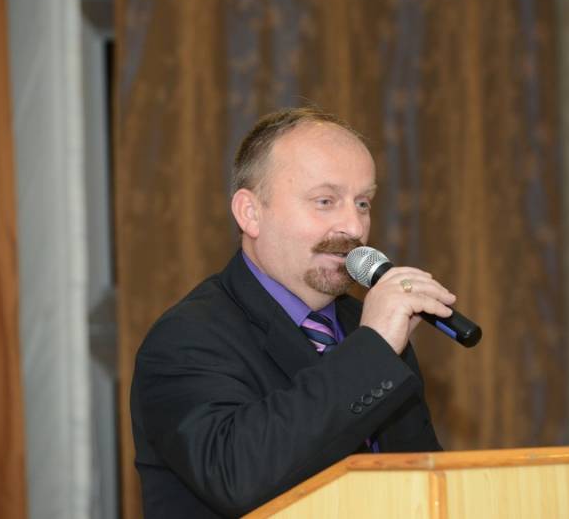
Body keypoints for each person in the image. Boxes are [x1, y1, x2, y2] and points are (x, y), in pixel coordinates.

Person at [130, 107, 457, 518]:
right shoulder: (186, 339)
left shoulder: (366, 326)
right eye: (325, 201)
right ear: (250, 213)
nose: (354, 227)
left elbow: (419, 480)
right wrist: (372, 350)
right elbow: (238, 476)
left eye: (363, 203)